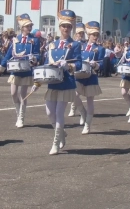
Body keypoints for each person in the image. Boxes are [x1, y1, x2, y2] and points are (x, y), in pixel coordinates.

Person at [31, 9, 82, 155]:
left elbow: (79, 63)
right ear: (59, 27)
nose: (66, 29)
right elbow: (47, 65)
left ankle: (56, 143)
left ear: (72, 28)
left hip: (66, 83)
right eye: (63, 26)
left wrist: (69, 65)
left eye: (68, 26)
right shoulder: (53, 44)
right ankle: (61, 133)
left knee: (59, 113)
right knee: (49, 113)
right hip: (53, 83)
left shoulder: (76, 45)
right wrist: (37, 83)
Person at [0, 14, 40, 128]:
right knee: (13, 93)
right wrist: (1, 68)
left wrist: (34, 58)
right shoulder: (15, 40)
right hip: (15, 70)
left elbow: (38, 55)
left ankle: (21, 117)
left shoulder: (34, 40)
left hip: (26, 70)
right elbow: (9, 55)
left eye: (30, 26)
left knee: (23, 95)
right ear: (21, 27)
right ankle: (17, 112)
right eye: (26, 26)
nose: (29, 28)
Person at [73, 21, 105, 134]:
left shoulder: (100, 49)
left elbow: (102, 64)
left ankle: (87, 125)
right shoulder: (81, 46)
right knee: (74, 95)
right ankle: (83, 112)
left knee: (90, 100)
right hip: (79, 75)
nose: (95, 37)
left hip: (91, 76)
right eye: (93, 35)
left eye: (97, 35)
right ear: (88, 35)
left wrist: (95, 65)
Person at [68, 22, 86, 118]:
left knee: (76, 92)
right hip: (73, 70)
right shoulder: (72, 43)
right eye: (79, 33)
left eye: (82, 33)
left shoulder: (86, 44)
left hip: (82, 70)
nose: (80, 35)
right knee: (74, 92)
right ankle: (75, 108)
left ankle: (76, 108)